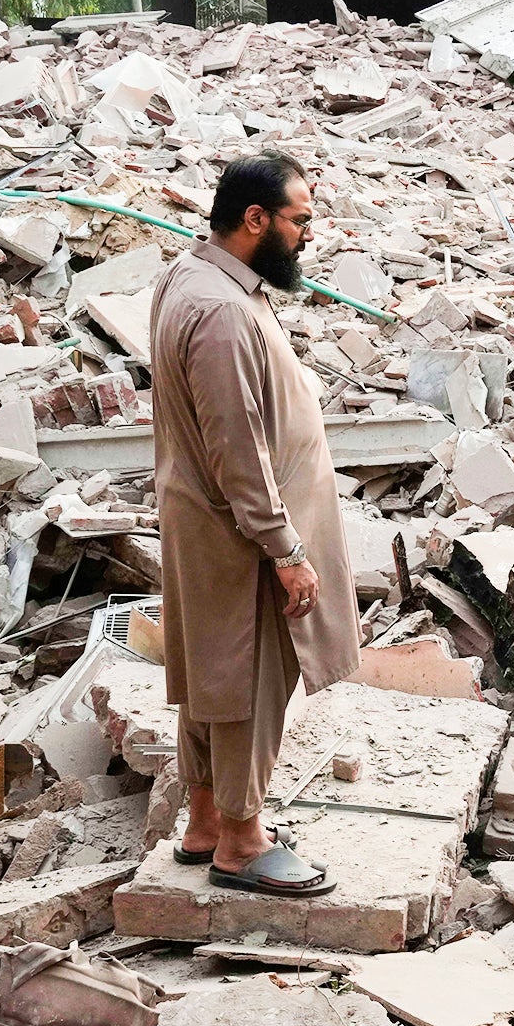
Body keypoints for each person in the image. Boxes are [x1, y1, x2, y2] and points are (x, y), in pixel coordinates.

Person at [149, 151, 359, 897]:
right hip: (238, 534)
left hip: (208, 521)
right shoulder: (225, 312)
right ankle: (241, 840)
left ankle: (205, 821)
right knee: (248, 681)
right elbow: (237, 446)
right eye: (299, 219)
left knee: (212, 676)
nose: (308, 233)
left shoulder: (194, 275)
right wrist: (285, 548)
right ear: (255, 219)